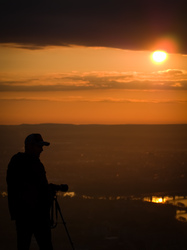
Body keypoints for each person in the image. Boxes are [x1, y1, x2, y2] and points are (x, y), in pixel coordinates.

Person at [6, 133, 54, 250]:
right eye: (39, 146)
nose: (41, 150)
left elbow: (13, 187)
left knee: (22, 246)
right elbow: (40, 189)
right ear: (30, 146)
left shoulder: (16, 162)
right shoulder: (35, 165)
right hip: (38, 216)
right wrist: (49, 192)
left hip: (22, 216)